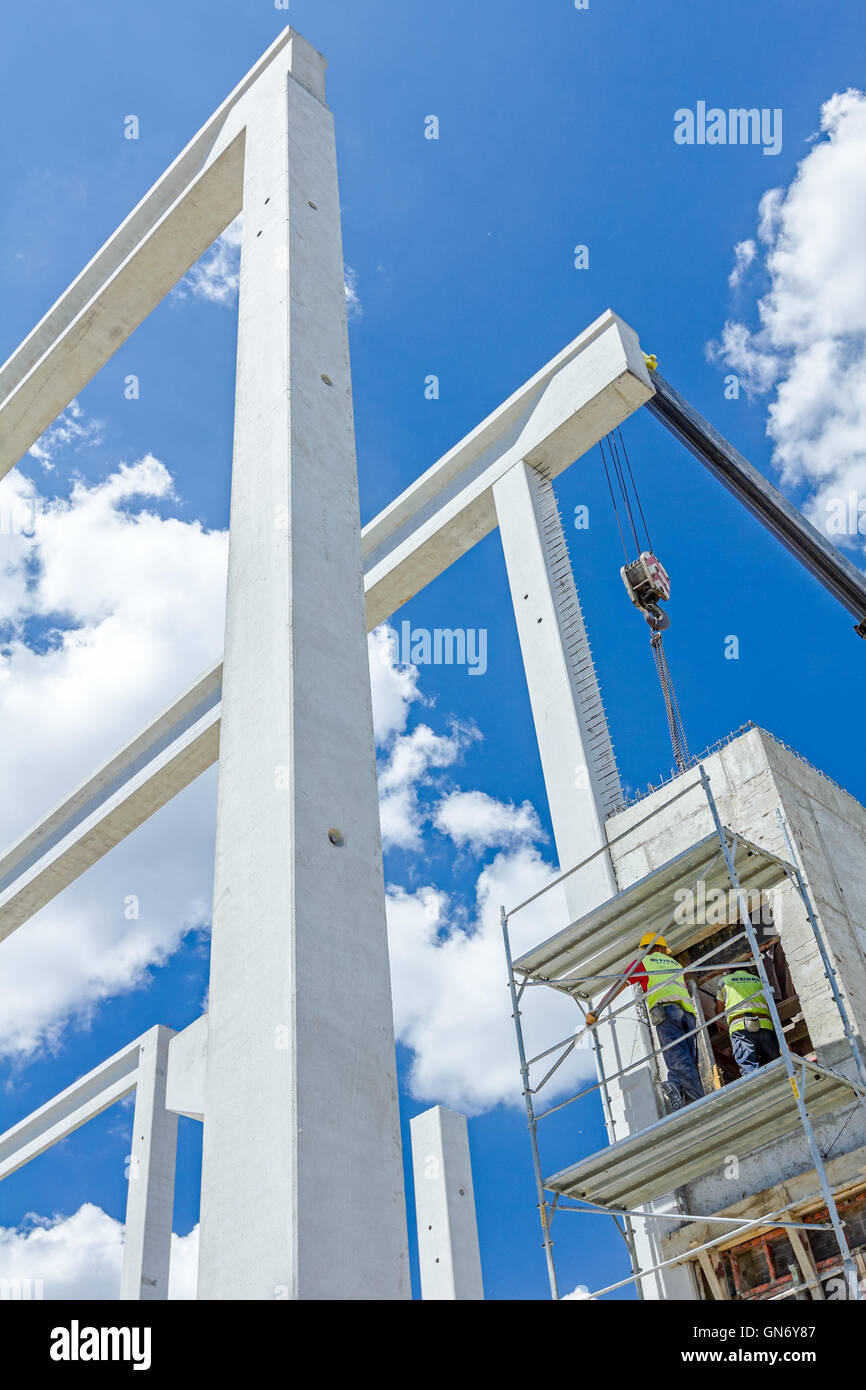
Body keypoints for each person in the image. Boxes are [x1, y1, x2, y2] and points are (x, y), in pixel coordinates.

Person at [585, 931, 703, 1110]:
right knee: (689, 1060)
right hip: (688, 1015)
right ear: (664, 948)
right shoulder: (676, 964)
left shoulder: (645, 962)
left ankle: (697, 1103)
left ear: (647, 949)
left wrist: (597, 1010)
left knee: (678, 1060)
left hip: (667, 1012)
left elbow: (620, 983)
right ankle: (676, 1086)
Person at [714, 965, 780, 1075]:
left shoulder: (724, 981)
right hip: (765, 1024)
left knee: (749, 1067)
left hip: (740, 1026)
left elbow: (719, 1011)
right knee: (774, 1064)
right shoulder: (758, 980)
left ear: (731, 970)